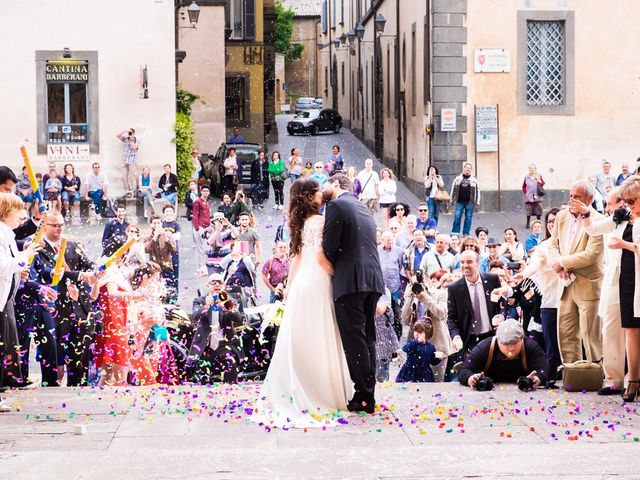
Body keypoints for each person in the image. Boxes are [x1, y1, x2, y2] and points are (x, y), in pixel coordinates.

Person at [252, 177, 354, 428]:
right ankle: (321, 391)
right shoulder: (319, 222)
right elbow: (319, 258)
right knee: (320, 335)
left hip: (300, 285)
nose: (322, 195)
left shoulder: (297, 223)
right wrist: (339, 274)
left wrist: (289, 288)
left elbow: (296, 259)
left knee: (302, 338)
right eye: (318, 192)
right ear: (309, 197)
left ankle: (300, 385)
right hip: (317, 280)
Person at [322, 174, 385, 414]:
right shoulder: (362, 207)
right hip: (371, 280)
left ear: (336, 184)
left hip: (351, 281)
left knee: (354, 339)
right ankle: (367, 393)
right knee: (367, 336)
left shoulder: (336, 205)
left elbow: (329, 248)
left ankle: (364, 395)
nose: (324, 189)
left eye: (326, 184)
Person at [571, 188, 626, 395]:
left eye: (611, 204)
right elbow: (592, 229)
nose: (608, 208)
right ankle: (612, 378)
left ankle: (632, 378)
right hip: (613, 280)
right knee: (610, 329)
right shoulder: (613, 220)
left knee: (631, 332)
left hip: (631, 277)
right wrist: (586, 213)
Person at [32, 211, 96, 386]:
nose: (59, 228)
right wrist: (80, 275)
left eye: (61, 225)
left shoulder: (71, 244)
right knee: (53, 350)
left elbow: (88, 263)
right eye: (55, 225)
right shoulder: (37, 247)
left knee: (79, 349)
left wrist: (96, 270)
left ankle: (78, 384)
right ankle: (51, 384)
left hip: (78, 305)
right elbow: (51, 273)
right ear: (45, 226)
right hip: (54, 306)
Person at [549, 179, 605, 364]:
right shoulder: (561, 216)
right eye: (570, 196)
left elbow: (592, 255)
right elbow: (552, 245)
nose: (572, 200)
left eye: (577, 197)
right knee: (565, 334)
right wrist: (558, 265)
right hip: (565, 284)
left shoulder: (599, 221)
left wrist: (563, 263)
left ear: (589, 200)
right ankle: (573, 375)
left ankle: (597, 375)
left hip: (588, 285)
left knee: (591, 336)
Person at [0, 193, 42, 400]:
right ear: (6, 212)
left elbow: (14, 261)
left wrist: (24, 257)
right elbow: (3, 266)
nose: (22, 215)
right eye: (18, 210)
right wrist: (25, 257)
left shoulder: (7, 233)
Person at [92, 258, 142, 386]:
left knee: (108, 373)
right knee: (118, 372)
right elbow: (112, 293)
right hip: (114, 325)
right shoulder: (112, 273)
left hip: (114, 324)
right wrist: (135, 295)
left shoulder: (110, 272)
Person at [447, 250, 504, 362]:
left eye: (469, 262)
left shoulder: (492, 280)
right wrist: (456, 336)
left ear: (477, 263)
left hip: (491, 335)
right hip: (470, 338)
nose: (465, 265)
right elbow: (452, 318)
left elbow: (502, 305)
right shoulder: (455, 288)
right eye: (462, 262)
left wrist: (501, 317)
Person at [459, 319, 548, 388]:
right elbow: (464, 370)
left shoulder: (531, 347)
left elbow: (545, 369)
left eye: (515, 343)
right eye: (506, 344)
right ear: (498, 341)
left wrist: (537, 378)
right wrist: (470, 378)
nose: (511, 348)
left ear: (522, 339)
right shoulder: (485, 347)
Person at [187, 273, 242, 384]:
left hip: (224, 345)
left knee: (231, 374)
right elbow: (194, 317)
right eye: (213, 282)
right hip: (204, 347)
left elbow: (239, 319)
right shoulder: (199, 300)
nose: (217, 284)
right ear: (208, 285)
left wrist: (227, 307)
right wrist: (206, 306)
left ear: (224, 285)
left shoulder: (230, 301)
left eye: (219, 282)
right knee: (201, 381)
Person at [615, 176, 640, 401]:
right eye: (626, 202)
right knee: (630, 329)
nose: (629, 206)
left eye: (632, 201)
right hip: (629, 275)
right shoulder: (624, 218)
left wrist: (624, 244)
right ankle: (633, 379)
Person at [401, 272, 452, 382]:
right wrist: (408, 299)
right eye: (413, 284)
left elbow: (442, 314)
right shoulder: (412, 299)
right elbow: (404, 319)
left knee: (437, 383)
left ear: (426, 282)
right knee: (417, 386)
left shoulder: (440, 294)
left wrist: (425, 298)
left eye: (419, 283)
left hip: (437, 347)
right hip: (417, 348)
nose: (417, 287)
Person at [145, 216, 177, 301]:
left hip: (166, 265)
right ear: (151, 225)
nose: (157, 225)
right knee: (155, 289)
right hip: (154, 267)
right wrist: (154, 237)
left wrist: (165, 237)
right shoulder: (148, 236)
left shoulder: (169, 234)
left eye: (158, 223)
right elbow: (147, 249)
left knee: (169, 288)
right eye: (154, 223)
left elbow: (173, 249)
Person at [373, 289, 398, 382]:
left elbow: (380, 310)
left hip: (381, 342)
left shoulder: (384, 291)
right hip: (364, 339)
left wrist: (365, 295)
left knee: (381, 378)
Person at [450, 163, 480, 237]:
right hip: (459, 201)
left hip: (470, 202)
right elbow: (453, 189)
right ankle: (455, 232)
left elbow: (478, 191)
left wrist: (477, 201)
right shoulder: (457, 179)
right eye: (466, 168)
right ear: (464, 168)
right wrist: (451, 199)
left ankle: (466, 233)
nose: (468, 169)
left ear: (471, 170)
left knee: (468, 218)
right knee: (457, 216)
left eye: (469, 168)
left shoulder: (474, 180)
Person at [162, 205, 181, 303]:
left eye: (170, 211)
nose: (169, 213)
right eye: (167, 211)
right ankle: (164, 296)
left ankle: (174, 298)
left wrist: (167, 236)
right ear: (164, 213)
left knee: (174, 274)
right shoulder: (161, 224)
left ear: (173, 213)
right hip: (163, 254)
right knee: (164, 274)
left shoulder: (176, 224)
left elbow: (177, 236)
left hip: (173, 252)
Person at [192, 185, 211, 275]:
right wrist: (197, 228)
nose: (206, 193)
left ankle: (204, 265)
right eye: (204, 191)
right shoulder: (197, 202)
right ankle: (199, 267)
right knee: (199, 248)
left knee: (205, 248)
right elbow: (195, 215)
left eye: (207, 191)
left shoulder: (207, 202)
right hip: (200, 227)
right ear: (201, 191)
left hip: (207, 227)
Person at [522, 164, 545, 229]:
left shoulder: (539, 175)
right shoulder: (527, 177)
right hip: (529, 197)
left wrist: (538, 180)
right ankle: (527, 223)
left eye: (533, 168)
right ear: (529, 169)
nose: (531, 169)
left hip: (537, 196)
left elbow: (542, 183)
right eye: (530, 168)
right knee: (528, 210)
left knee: (538, 210)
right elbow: (524, 186)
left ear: (535, 169)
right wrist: (526, 192)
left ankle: (539, 223)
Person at [116, 128, 138, 194]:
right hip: (125, 161)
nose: (129, 134)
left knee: (132, 177)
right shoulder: (125, 139)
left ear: (134, 133)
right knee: (124, 177)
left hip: (132, 161)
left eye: (131, 132)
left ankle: (132, 191)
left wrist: (131, 139)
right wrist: (125, 131)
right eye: (129, 133)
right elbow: (117, 135)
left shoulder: (136, 140)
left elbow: (134, 148)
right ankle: (127, 190)